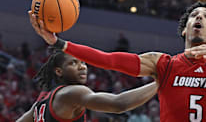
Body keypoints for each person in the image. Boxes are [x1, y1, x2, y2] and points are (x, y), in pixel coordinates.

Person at [28, 1, 206, 122]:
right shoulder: (164, 64)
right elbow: (108, 60)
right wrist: (59, 43)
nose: (199, 18)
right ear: (185, 29)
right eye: (194, 15)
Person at [16, 48, 157, 122]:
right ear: (59, 71)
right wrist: (159, 83)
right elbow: (118, 104)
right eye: (73, 63)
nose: (82, 67)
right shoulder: (72, 93)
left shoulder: (40, 102)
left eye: (83, 62)